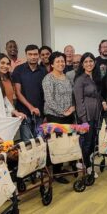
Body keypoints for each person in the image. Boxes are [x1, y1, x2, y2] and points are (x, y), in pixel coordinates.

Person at [42, 52, 76, 183]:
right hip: (55, 116)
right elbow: (49, 100)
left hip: (68, 115)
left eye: (62, 61)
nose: (61, 63)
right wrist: (63, 112)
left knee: (65, 144)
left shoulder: (66, 77)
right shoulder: (48, 79)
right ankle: (55, 173)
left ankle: (60, 168)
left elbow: (72, 95)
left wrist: (73, 107)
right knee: (56, 144)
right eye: (58, 61)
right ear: (52, 64)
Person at [74, 52, 103, 177]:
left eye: (91, 61)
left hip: (97, 115)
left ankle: (85, 162)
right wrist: (84, 119)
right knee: (87, 142)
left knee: (92, 142)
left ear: (94, 62)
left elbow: (99, 95)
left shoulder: (96, 77)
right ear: (82, 64)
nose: (89, 64)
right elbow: (78, 101)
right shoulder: (80, 79)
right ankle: (87, 166)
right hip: (86, 116)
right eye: (85, 62)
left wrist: (103, 102)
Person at [12, 44, 47, 140]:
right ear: (26, 55)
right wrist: (31, 107)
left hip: (40, 114)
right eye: (30, 54)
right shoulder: (18, 70)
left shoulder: (44, 71)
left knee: (40, 143)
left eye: (35, 54)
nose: (33, 57)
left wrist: (45, 114)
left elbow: (46, 94)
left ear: (39, 55)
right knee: (27, 144)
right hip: (24, 114)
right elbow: (18, 93)